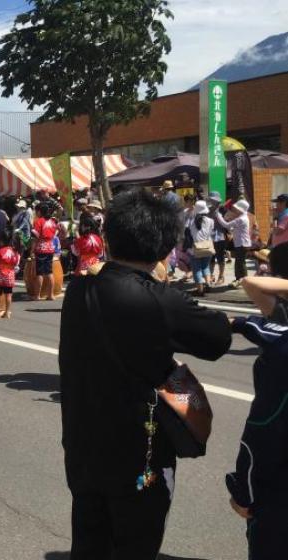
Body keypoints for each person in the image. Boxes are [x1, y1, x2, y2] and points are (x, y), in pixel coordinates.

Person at [59, 189, 231, 560]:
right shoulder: (160, 300)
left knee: (89, 542)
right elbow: (218, 338)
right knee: (136, 544)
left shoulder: (78, 290)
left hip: (82, 446)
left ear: (109, 238)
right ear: (166, 247)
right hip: (140, 454)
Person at [226, 243, 288, 559]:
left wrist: (244, 493)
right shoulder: (276, 319)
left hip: (277, 492)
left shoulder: (280, 343)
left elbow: (261, 433)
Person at [215, 199, 252, 286]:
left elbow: (226, 225)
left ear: (241, 209)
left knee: (240, 263)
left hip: (242, 244)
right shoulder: (243, 217)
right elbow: (231, 228)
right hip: (242, 243)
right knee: (241, 262)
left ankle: (240, 280)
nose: (234, 210)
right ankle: (242, 280)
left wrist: (218, 214)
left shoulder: (241, 219)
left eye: (236, 209)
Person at [0, 230, 19, 319]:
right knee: (8, 294)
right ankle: (7, 312)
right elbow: (16, 263)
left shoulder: (0, 251)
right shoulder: (14, 252)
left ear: (1, 241)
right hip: (10, 275)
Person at [188, 200, 216, 297]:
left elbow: (189, 233)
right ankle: (208, 284)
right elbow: (211, 233)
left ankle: (200, 290)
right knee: (205, 267)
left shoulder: (192, 221)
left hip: (195, 248)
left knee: (197, 269)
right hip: (207, 247)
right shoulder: (211, 221)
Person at [32, 203, 58, 301]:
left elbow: (35, 238)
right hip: (50, 247)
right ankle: (50, 295)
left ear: (39, 211)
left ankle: (37, 295)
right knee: (49, 271)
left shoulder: (39, 221)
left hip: (41, 248)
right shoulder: (52, 222)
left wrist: (32, 250)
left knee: (39, 273)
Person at [209, 192, 229, 286]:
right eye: (211, 200)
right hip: (210, 236)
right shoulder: (208, 210)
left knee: (220, 257)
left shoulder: (222, 209)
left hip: (220, 236)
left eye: (213, 200)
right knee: (210, 257)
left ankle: (221, 276)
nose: (212, 202)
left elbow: (227, 222)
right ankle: (211, 275)